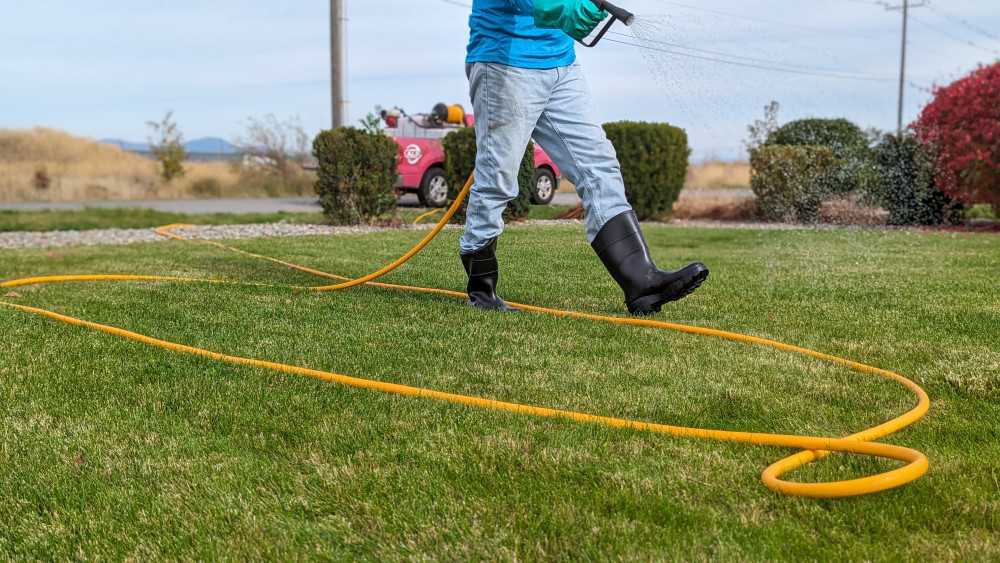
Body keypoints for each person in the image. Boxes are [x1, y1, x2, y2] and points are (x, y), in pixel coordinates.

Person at [460, 0, 708, 315]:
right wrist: (561, 7)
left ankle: (642, 282)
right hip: (507, 61)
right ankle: (482, 290)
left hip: (561, 64)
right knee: (498, 177)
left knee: (599, 165)